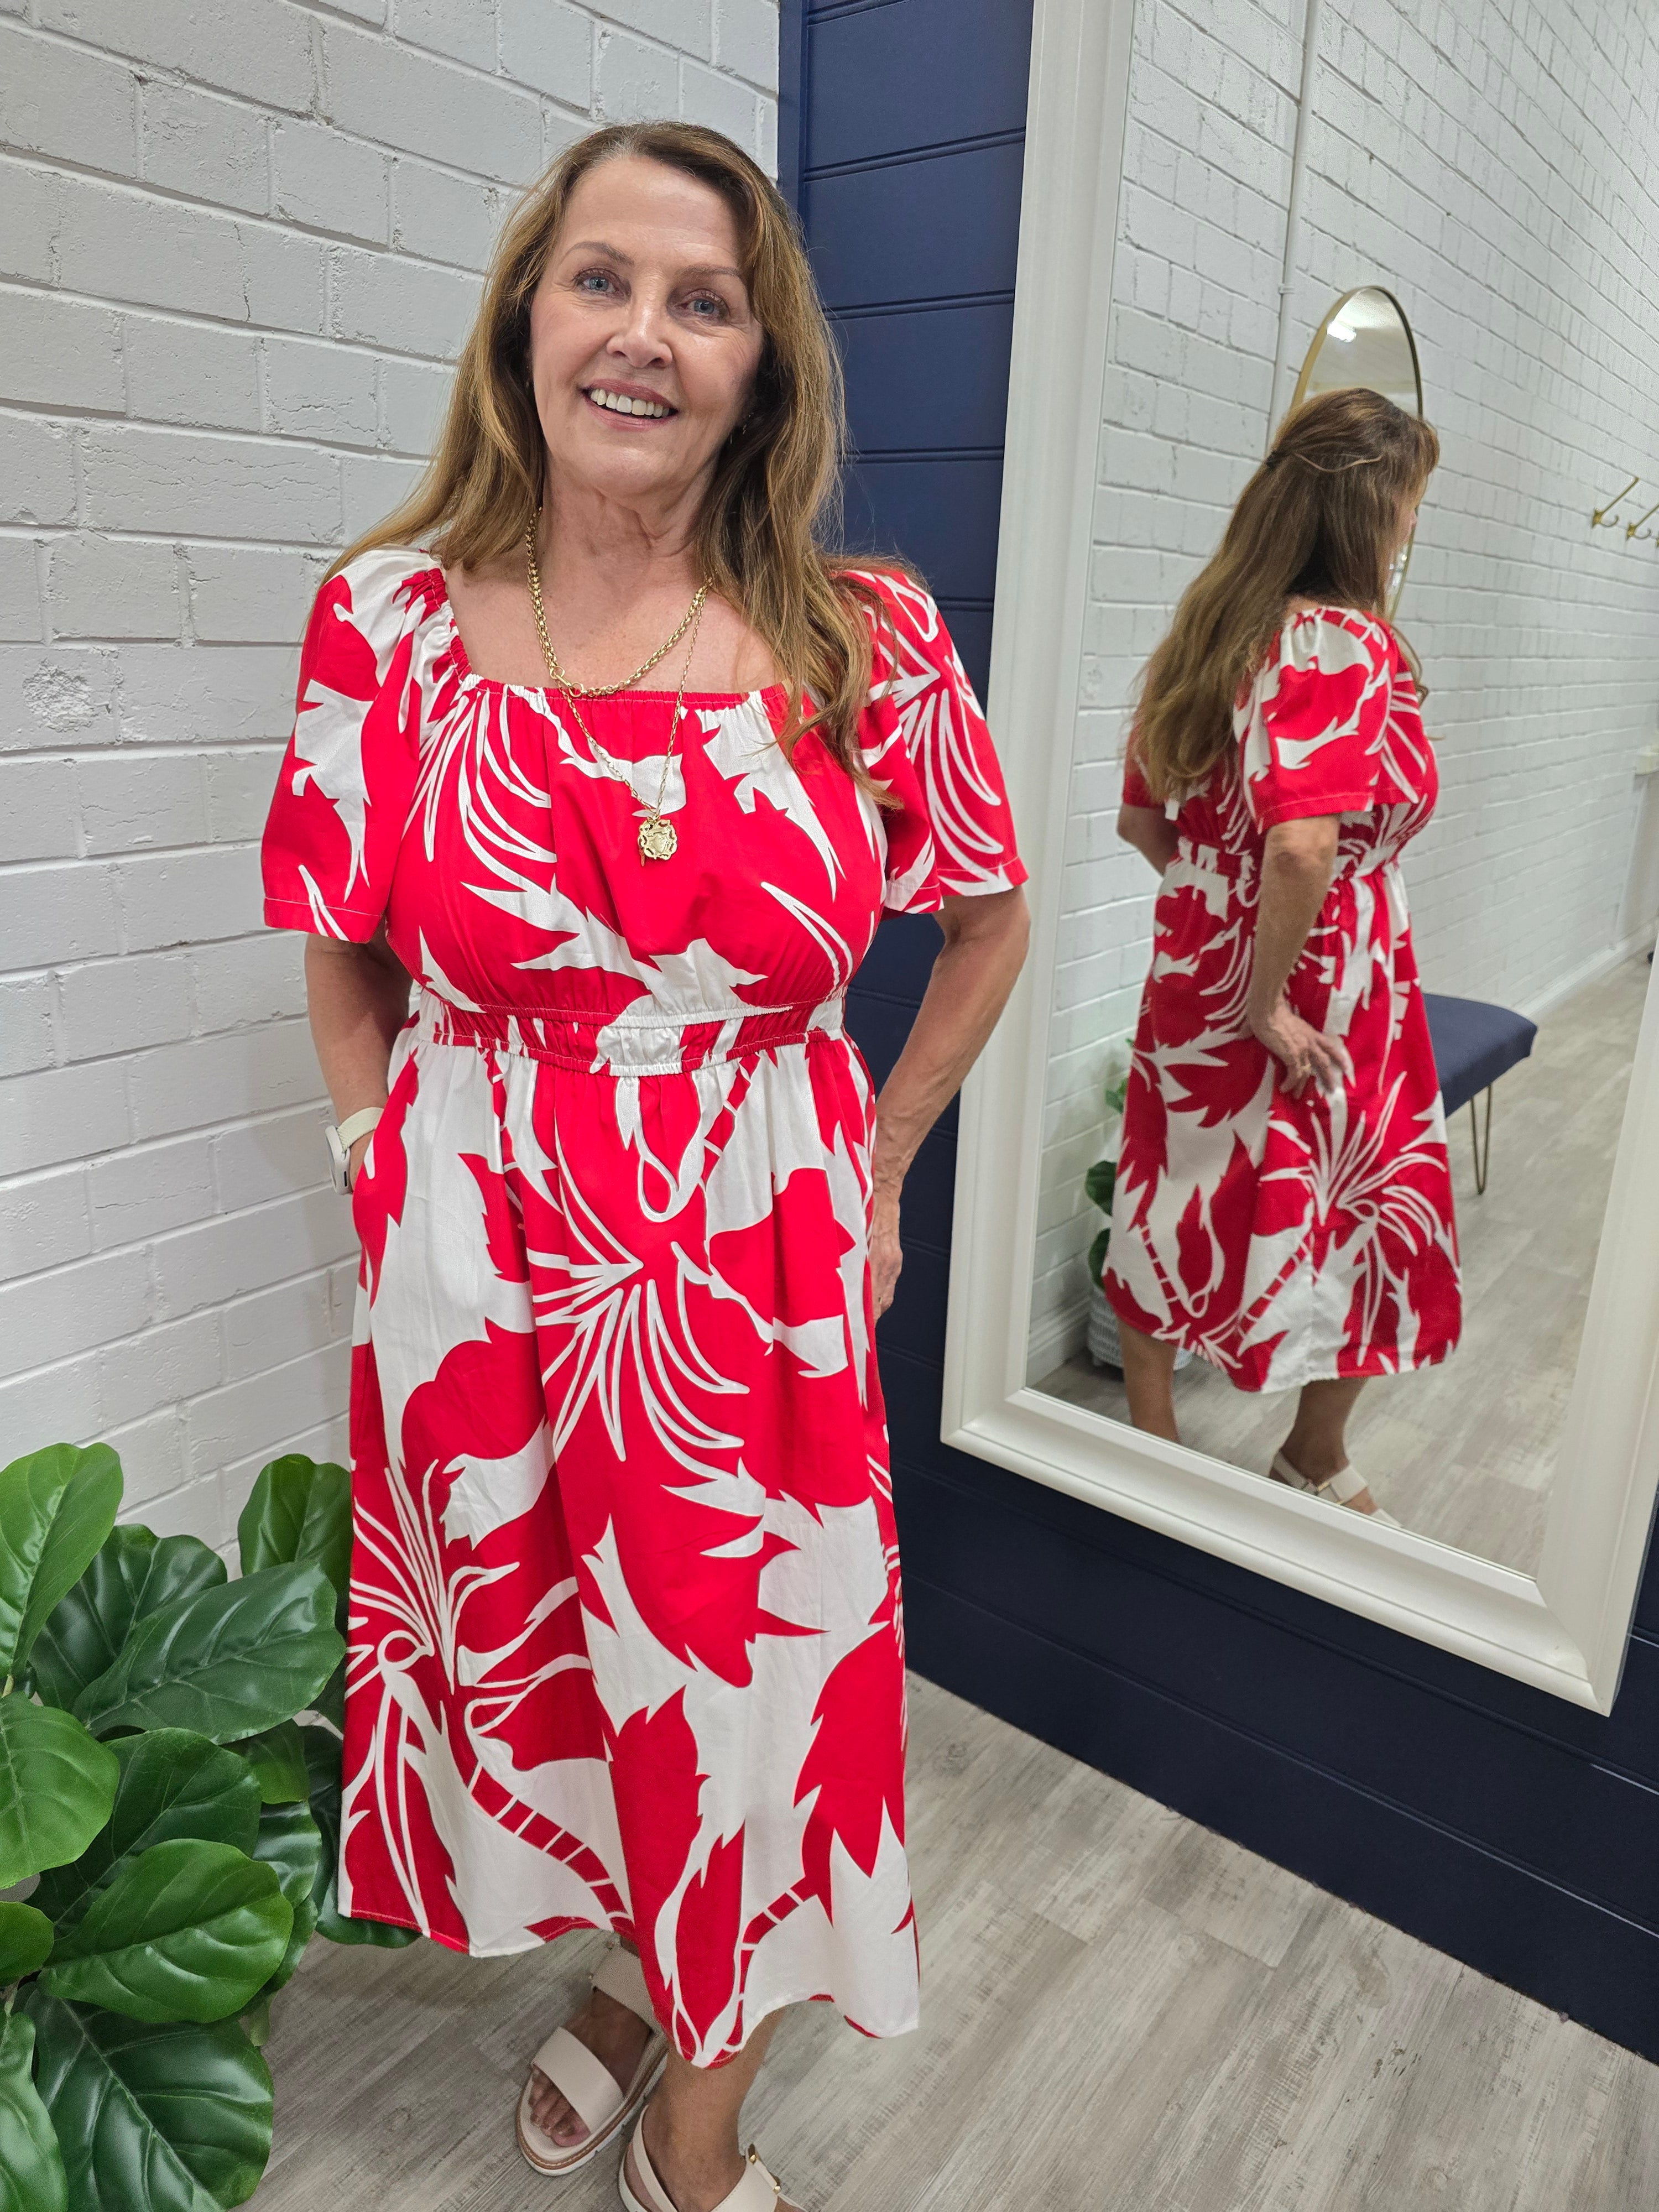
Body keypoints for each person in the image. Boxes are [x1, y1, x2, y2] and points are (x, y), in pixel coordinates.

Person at [260, 122, 1028, 2212]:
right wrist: (378, 1163)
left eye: (706, 303)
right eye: (602, 280)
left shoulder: (863, 636)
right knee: (575, 1694)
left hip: (746, 1270)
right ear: (527, 316)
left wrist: (878, 1165)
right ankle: (630, 1976)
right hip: (480, 1263)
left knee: (756, 1708)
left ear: (761, 368)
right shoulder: (387, 618)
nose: (644, 336)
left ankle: (698, 2129)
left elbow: (987, 921)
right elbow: (339, 933)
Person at [1105, 385, 1458, 1525]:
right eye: (1409, 501)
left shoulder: (1207, 631)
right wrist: (1265, 996)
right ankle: (1312, 1450)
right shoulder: (1343, 643)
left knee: (1168, 1192)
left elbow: (1143, 821)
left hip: (1199, 964)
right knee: (1373, 1207)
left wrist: (1215, 913)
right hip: (1320, 984)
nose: (1413, 523)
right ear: (1367, 512)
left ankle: (1153, 1442)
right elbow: (1305, 844)